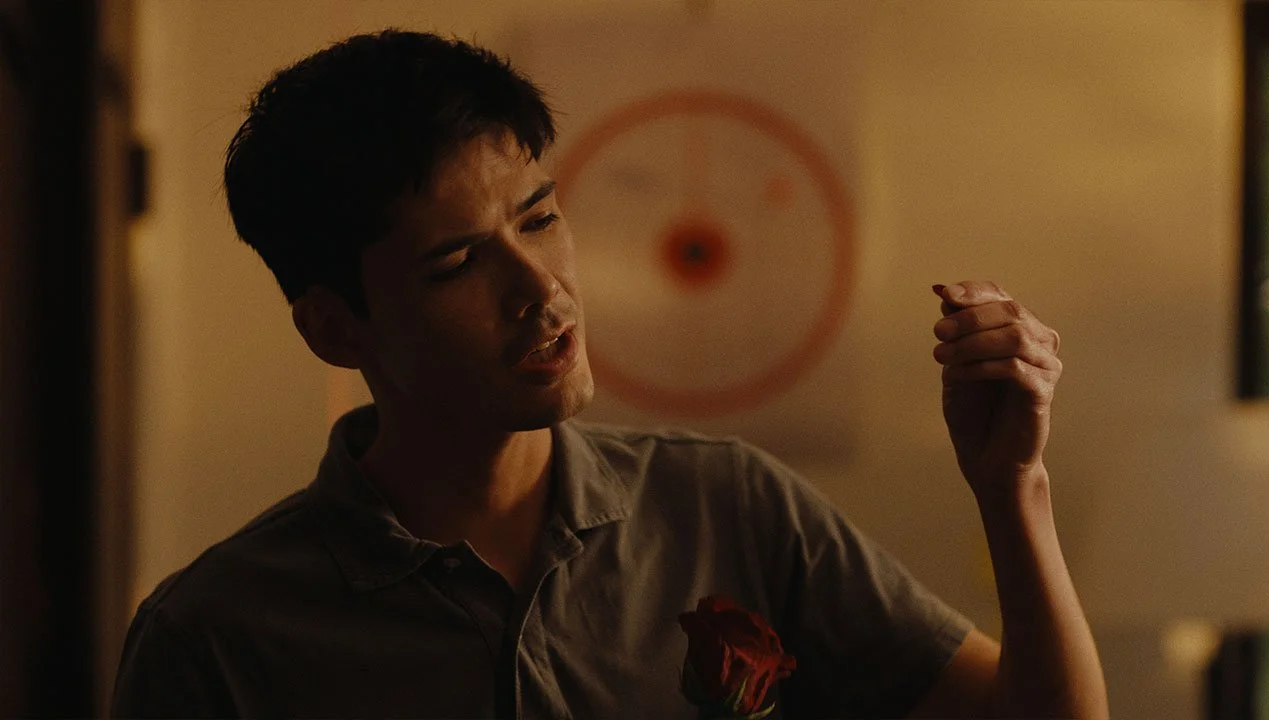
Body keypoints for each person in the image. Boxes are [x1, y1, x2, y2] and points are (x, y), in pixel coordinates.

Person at [111, 29, 1108, 719]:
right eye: (458, 263)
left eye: (541, 218)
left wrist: (1012, 486)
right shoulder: (221, 635)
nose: (540, 288)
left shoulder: (726, 506)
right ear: (336, 328)